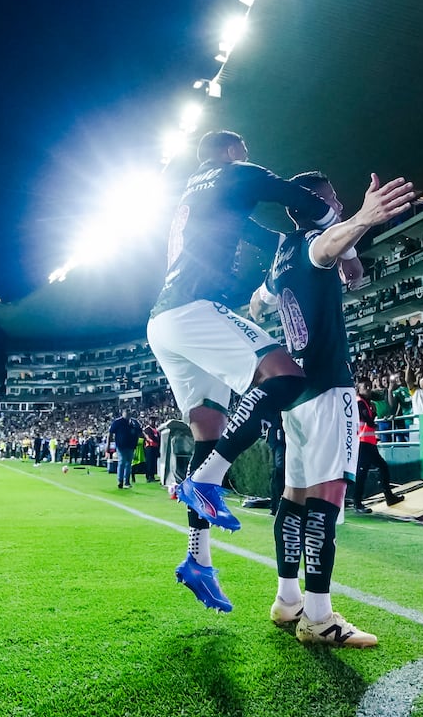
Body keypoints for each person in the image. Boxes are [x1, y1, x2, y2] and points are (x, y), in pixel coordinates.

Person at [146, 130, 340, 612]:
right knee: (285, 376)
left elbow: (260, 235)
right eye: (245, 152)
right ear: (231, 151)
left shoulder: (193, 193)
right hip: (194, 309)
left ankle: (198, 559)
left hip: (161, 322)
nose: (249, 157)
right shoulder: (237, 173)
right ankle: (207, 480)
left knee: (207, 433)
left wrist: (288, 248)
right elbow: (307, 204)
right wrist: (339, 231)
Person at [249, 169, 415, 646]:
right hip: (326, 385)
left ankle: (287, 599)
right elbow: (324, 248)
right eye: (330, 198)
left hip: (296, 392)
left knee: (294, 496)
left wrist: (350, 243)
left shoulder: (282, 252)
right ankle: (319, 616)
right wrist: (363, 218)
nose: (336, 204)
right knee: (326, 497)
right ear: (311, 205)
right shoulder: (312, 242)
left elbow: (262, 301)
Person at [355, 379, 405, 513]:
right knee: (364, 472)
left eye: (369, 386)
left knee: (378, 468)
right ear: (358, 389)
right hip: (363, 443)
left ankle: (388, 496)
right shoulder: (360, 402)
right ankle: (358, 503)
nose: (368, 389)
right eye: (365, 387)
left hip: (368, 442)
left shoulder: (365, 402)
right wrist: (374, 412)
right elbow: (369, 421)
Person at [107, 410, 141, 489]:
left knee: (128, 464)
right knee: (122, 462)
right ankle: (120, 481)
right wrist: (108, 445)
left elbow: (139, 432)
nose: (128, 415)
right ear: (123, 414)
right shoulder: (118, 422)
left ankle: (126, 481)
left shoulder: (134, 422)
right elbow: (110, 433)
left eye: (129, 414)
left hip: (131, 446)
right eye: (126, 413)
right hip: (121, 446)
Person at [141, 416, 161, 483]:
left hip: (155, 448)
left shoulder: (156, 430)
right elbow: (150, 438)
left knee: (153, 463)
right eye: (152, 421)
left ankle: (152, 476)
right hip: (149, 447)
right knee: (149, 462)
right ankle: (148, 477)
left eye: (154, 421)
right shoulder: (147, 429)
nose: (153, 422)